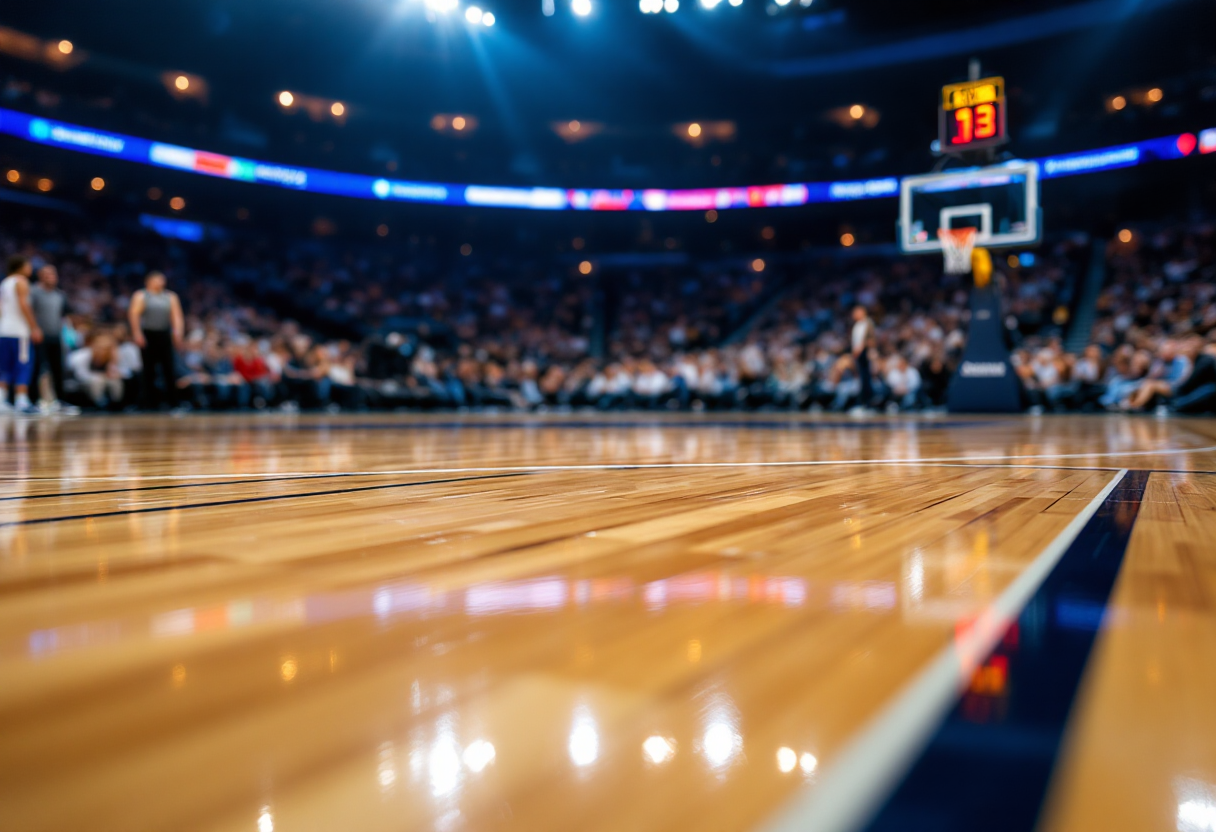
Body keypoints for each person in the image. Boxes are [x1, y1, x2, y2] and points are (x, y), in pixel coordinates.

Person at [128, 271, 184, 410]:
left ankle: (173, 403)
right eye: (159, 279)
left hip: (164, 334)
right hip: (148, 334)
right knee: (148, 370)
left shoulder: (170, 296)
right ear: (149, 281)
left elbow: (177, 317)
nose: (162, 282)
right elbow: (134, 314)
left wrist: (177, 334)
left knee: (169, 369)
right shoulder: (141, 295)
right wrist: (137, 333)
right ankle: (148, 403)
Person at [0, 255, 43, 414]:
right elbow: (24, 304)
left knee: (4, 367)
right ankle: (21, 401)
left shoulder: (5, 283)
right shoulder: (21, 281)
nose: (30, 268)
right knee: (23, 365)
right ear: (21, 266)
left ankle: (1, 400)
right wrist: (34, 327)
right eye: (28, 265)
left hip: (4, 330)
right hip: (19, 331)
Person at [29, 264, 74, 413]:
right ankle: (33, 401)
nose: (52, 277)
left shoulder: (60, 294)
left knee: (58, 369)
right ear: (41, 276)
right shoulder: (33, 292)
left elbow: (64, 316)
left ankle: (60, 401)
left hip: (56, 336)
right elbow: (29, 313)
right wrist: (34, 329)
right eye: (48, 275)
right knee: (36, 370)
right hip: (38, 337)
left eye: (53, 274)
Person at [850, 304, 875, 411]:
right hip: (858, 354)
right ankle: (863, 402)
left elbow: (868, 339)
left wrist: (860, 349)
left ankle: (867, 403)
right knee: (861, 378)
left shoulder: (867, 323)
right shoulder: (858, 324)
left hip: (864, 353)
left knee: (866, 378)